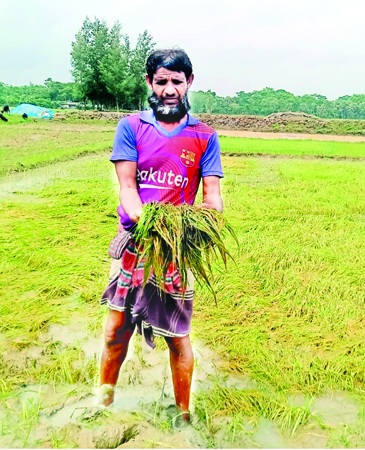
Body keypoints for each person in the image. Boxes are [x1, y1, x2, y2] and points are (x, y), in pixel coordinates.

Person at [98, 48, 224, 424]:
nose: (170, 89)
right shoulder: (131, 127)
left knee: (178, 336)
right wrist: (145, 218)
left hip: (178, 250)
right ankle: (103, 403)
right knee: (115, 330)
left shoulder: (204, 136)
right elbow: (126, 187)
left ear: (189, 83)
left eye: (177, 81)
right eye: (162, 81)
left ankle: (184, 415)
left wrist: (203, 217)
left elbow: (213, 196)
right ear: (150, 83)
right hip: (135, 243)